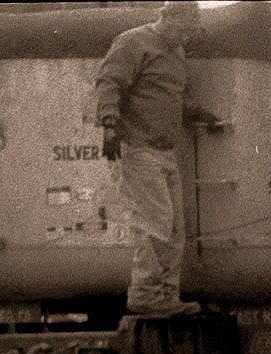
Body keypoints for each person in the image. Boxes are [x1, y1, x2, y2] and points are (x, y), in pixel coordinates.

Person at [96, 1, 225, 317]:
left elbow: (172, 95)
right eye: (183, 29)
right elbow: (109, 82)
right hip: (138, 148)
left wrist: (198, 113)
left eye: (191, 32)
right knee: (155, 224)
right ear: (166, 17)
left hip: (165, 151)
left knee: (174, 227)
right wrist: (110, 124)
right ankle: (146, 294)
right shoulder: (133, 41)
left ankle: (166, 295)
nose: (186, 37)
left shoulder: (176, 51)